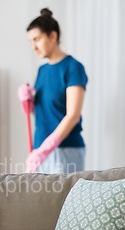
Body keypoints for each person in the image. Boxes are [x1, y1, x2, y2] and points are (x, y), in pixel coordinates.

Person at [19, 8, 88, 174]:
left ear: (53, 36)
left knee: (63, 199)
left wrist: (46, 149)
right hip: (39, 149)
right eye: (30, 41)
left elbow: (72, 116)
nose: (33, 47)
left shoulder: (73, 68)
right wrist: (27, 103)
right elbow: (45, 113)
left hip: (66, 149)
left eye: (36, 39)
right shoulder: (42, 70)